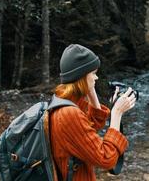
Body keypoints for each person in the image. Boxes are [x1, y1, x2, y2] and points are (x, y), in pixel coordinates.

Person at [50, 44, 136, 181]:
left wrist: (91, 92)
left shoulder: (61, 102)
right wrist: (117, 113)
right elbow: (106, 158)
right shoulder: (69, 114)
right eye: (93, 73)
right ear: (82, 76)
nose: (96, 78)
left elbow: (89, 130)